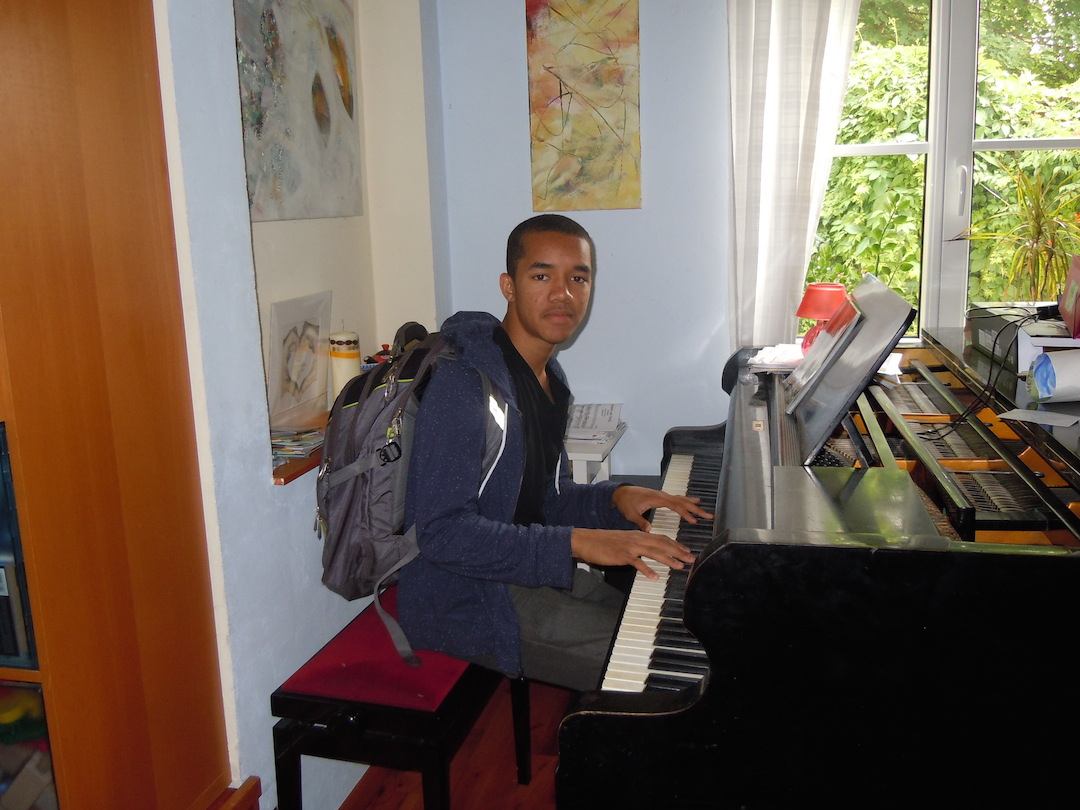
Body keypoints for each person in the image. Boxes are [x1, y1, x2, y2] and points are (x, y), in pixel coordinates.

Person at [398, 214, 710, 691]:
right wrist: (574, 543)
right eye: (542, 276)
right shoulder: (463, 385)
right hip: (467, 598)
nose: (562, 294)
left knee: (678, 626)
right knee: (671, 668)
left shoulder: (549, 379)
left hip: (526, 569)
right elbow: (441, 534)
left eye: (578, 278)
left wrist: (615, 498)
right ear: (509, 286)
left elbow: (547, 500)